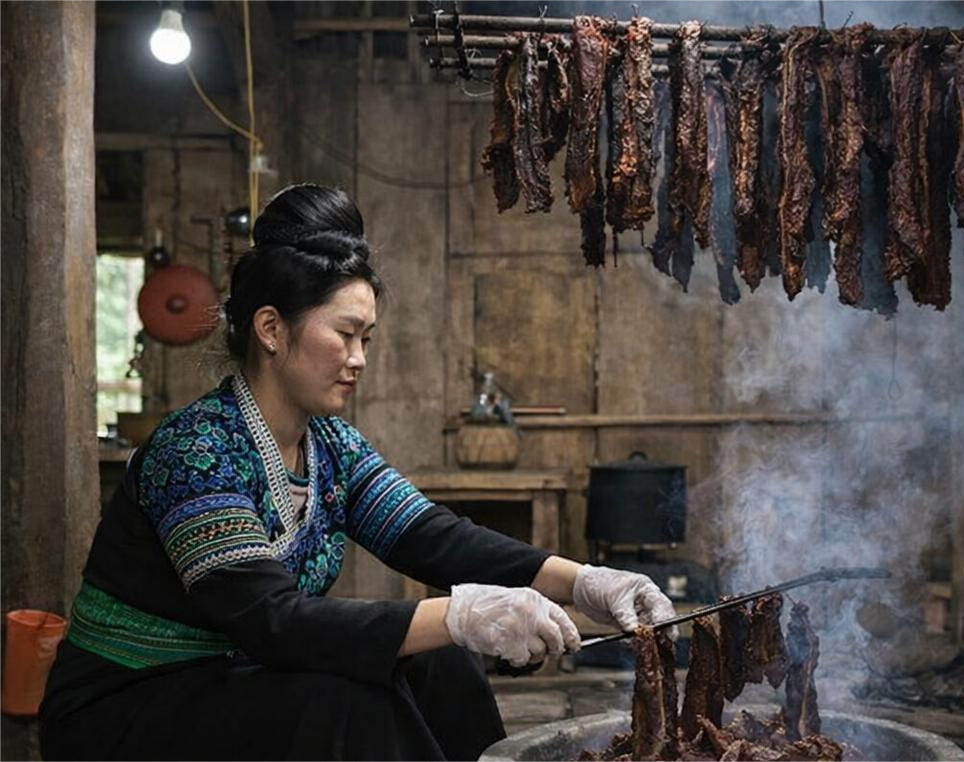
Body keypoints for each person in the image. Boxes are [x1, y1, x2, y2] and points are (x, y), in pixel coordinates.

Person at [39, 184, 677, 762]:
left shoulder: (331, 447)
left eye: (367, 338)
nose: (358, 358)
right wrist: (457, 615)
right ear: (270, 328)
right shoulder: (196, 451)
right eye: (345, 334)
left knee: (444, 665)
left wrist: (586, 582)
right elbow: (273, 620)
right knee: (344, 707)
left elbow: (431, 537)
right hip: (132, 705)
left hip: (237, 676)